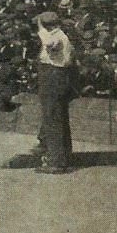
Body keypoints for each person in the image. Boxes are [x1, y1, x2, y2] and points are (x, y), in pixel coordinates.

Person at [34, 11, 75, 174]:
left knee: (52, 119)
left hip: (53, 77)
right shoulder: (59, 36)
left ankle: (56, 161)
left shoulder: (57, 37)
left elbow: (51, 45)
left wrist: (40, 29)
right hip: (54, 76)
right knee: (58, 118)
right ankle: (63, 157)